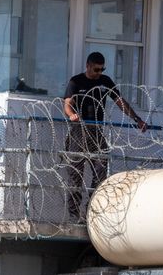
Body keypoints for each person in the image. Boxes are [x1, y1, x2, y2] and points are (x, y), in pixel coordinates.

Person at [62, 51, 147, 218]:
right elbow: (67, 104)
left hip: (96, 131)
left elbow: (120, 102)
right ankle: (74, 216)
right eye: (96, 69)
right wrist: (71, 114)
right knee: (75, 176)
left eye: (102, 69)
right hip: (79, 131)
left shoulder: (104, 81)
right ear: (88, 66)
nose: (99, 73)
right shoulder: (76, 81)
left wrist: (137, 119)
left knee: (101, 168)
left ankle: (91, 211)